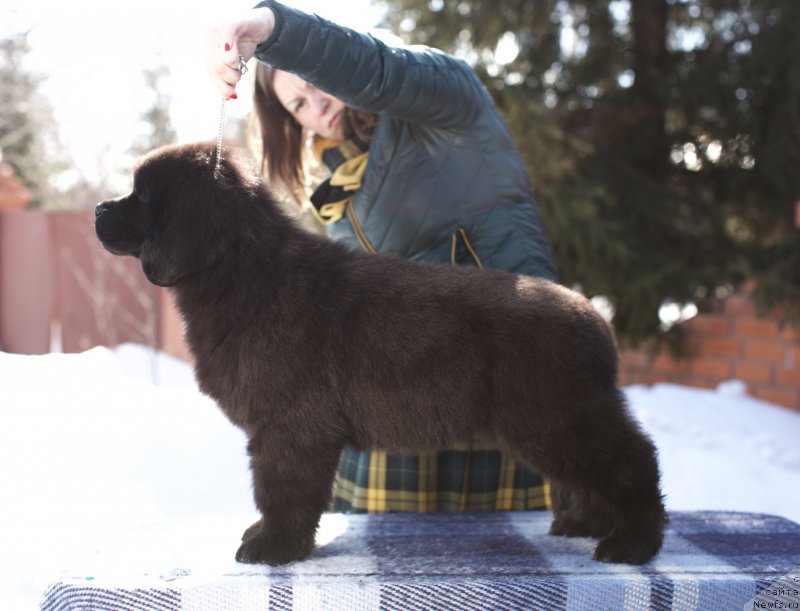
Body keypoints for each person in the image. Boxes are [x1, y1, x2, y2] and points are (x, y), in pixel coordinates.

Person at [205, 0, 559, 513]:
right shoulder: (335, 192)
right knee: (386, 580)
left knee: (517, 577)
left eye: (313, 82)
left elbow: (377, 70)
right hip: (406, 395)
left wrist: (269, 27)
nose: (316, 105)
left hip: (502, 367)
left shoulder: (442, 98)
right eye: (298, 105)